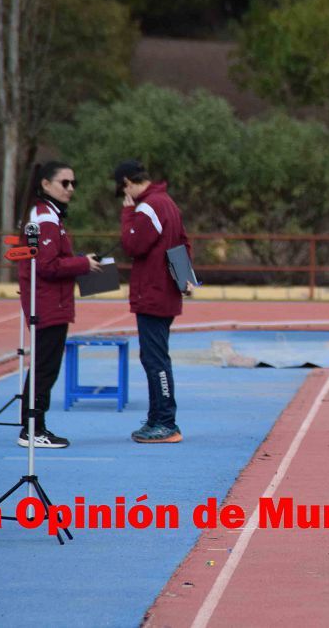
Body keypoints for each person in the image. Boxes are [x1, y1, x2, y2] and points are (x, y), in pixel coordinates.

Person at [17, 161, 101, 448]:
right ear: (45, 184)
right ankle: (32, 429)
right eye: (64, 183)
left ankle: (33, 427)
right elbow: (47, 265)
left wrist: (79, 260)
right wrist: (83, 263)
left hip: (50, 303)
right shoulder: (46, 219)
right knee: (45, 368)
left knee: (44, 367)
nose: (70, 189)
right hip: (47, 304)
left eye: (73, 183)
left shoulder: (47, 216)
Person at [114, 159, 193, 444]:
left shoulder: (147, 206)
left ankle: (166, 422)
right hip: (166, 290)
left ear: (127, 183)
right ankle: (157, 417)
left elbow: (133, 245)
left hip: (152, 292)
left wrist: (127, 215)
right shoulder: (167, 202)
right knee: (154, 357)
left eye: (122, 191)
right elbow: (183, 242)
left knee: (156, 360)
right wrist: (185, 279)